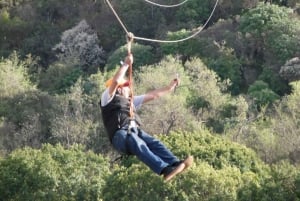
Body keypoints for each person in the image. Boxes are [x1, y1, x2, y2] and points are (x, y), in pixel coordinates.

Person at [99, 54, 193, 182]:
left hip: (133, 131)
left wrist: (169, 88)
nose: (129, 89)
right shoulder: (108, 98)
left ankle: (175, 164)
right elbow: (115, 82)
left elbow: (152, 95)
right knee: (138, 142)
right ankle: (164, 170)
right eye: (126, 86)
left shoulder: (130, 101)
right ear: (119, 90)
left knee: (154, 143)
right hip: (120, 136)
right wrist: (126, 64)